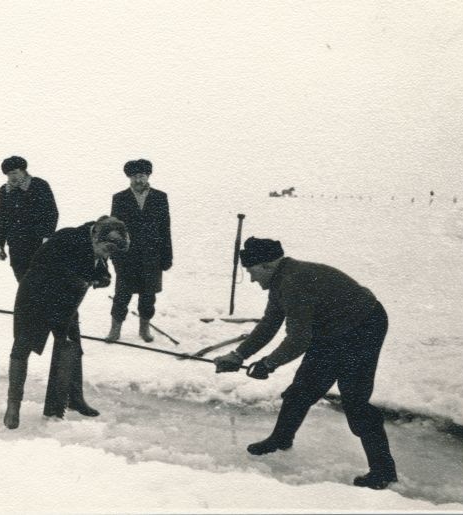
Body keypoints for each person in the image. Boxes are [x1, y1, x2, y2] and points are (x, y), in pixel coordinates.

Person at [214, 237, 398, 490]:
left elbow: (299, 339)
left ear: (267, 266)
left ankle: (383, 471)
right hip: (329, 331)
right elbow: (270, 323)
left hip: (363, 327)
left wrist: (268, 364)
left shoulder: (294, 283)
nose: (252, 279)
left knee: (355, 400)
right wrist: (238, 356)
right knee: (301, 389)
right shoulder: (280, 280)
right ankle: (281, 439)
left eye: (252, 272)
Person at [3, 216, 130, 429]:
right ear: (97, 237)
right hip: (35, 298)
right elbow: (63, 273)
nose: (108, 255)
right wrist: (91, 277)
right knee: (22, 348)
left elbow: (97, 266)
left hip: (66, 302)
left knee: (72, 347)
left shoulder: (95, 239)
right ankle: (13, 406)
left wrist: (103, 276)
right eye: (107, 250)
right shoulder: (67, 239)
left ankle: (74, 398)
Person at [106, 159, 172, 342]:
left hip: (152, 256)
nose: (138, 180)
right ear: (129, 177)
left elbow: (165, 228)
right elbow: (114, 229)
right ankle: (115, 329)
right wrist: (115, 256)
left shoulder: (160, 197)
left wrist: (167, 256)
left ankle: (144, 329)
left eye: (142, 176)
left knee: (148, 296)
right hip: (127, 256)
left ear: (148, 176)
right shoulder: (119, 198)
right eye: (134, 176)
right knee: (122, 295)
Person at [0, 155, 59, 282]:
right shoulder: (4, 191)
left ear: (23, 171)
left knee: (40, 279)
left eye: (15, 172)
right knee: (22, 280)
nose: (12, 177)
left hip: (37, 243)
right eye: (8, 174)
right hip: (16, 245)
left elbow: (52, 212)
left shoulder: (39, 185)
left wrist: (47, 236)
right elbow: (1, 218)